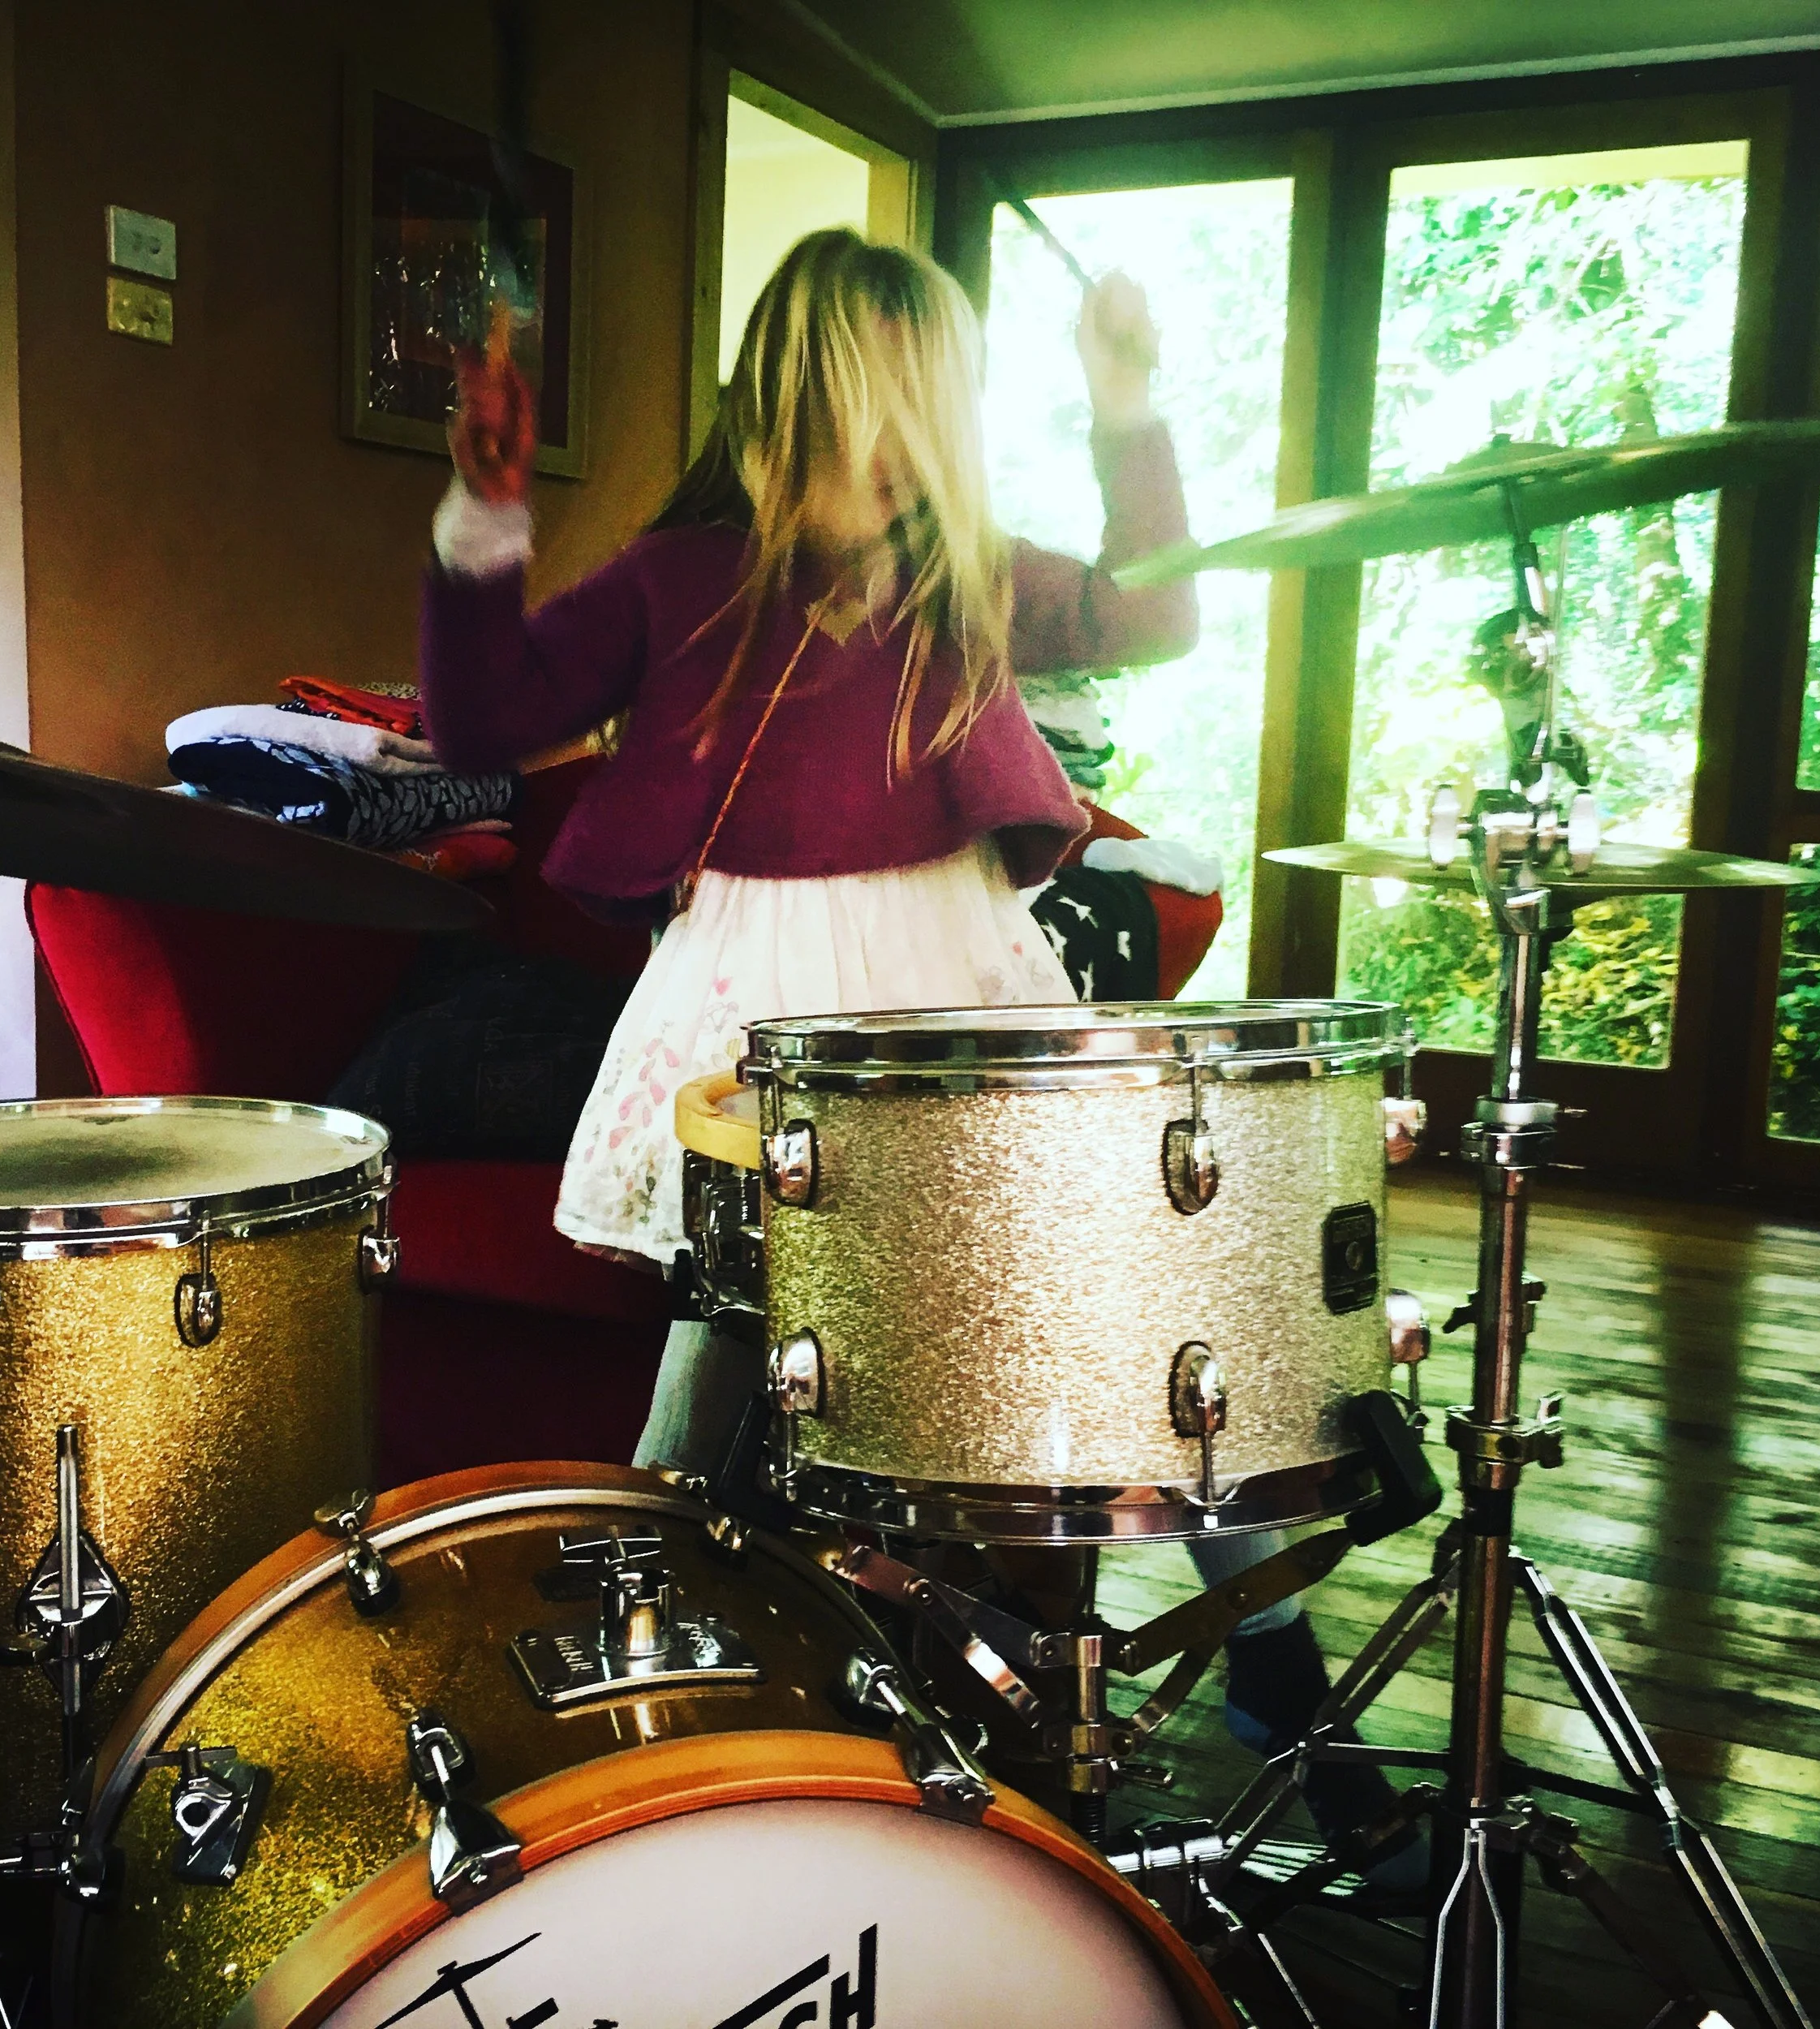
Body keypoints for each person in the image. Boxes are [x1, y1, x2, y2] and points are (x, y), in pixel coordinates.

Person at [419, 228, 1411, 1883]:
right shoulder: (683, 576)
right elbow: (479, 719)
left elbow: (1157, 613)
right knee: (730, 1344)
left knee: (1124, 1303)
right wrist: (483, 514)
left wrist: (1126, 406)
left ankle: (1272, 1667)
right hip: (753, 1004)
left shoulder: (968, 571)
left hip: (960, 983)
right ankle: (640, 1701)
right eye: (902, 384)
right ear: (818, 386)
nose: (918, 422)